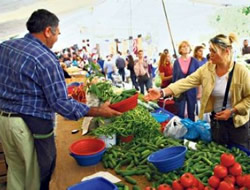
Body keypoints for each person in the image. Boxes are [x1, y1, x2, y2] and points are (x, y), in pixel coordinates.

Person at [0, 9, 121, 190]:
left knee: (16, 173)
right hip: (26, 125)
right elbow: (60, 103)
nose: (57, 38)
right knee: (34, 178)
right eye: (57, 33)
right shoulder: (45, 59)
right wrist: (98, 111)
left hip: (4, 120)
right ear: (48, 31)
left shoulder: (5, 46)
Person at [145, 33, 250, 149]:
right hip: (217, 124)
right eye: (210, 50)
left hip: (237, 125)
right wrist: (162, 92)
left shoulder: (241, 71)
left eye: (214, 51)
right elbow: (186, 81)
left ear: (227, 51)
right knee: (221, 154)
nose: (210, 55)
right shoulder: (207, 69)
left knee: (241, 157)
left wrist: (232, 111)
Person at [172, 41, 200, 121]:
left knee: (191, 112)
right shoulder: (176, 62)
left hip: (191, 90)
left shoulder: (194, 61)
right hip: (180, 90)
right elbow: (174, 78)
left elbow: (199, 77)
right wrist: (173, 91)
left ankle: (191, 128)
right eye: (183, 46)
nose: (185, 47)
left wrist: (199, 92)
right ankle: (180, 129)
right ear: (180, 49)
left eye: (187, 46)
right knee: (180, 112)